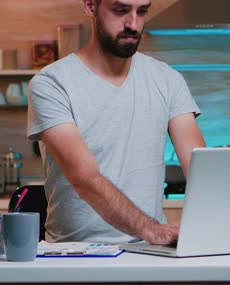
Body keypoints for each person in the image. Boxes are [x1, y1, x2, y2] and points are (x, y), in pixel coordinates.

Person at [27, 0, 206, 245]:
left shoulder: (168, 80)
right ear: (90, 6)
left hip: (149, 253)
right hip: (74, 255)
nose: (133, 24)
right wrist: (154, 231)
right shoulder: (52, 83)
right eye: (120, 10)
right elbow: (84, 177)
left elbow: (202, 168)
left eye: (142, 11)